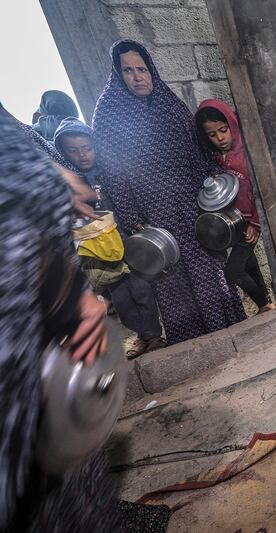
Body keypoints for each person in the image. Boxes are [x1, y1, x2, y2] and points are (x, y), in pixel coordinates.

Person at [0, 109, 121, 531]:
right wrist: (71, 296)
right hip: (22, 328)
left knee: (61, 469)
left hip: (41, 329)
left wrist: (50, 173)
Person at [92, 40, 246, 344]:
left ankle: (226, 328)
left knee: (208, 270)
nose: (138, 77)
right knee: (171, 279)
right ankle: (192, 342)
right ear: (117, 74)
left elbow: (197, 151)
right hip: (152, 213)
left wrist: (213, 185)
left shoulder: (168, 102)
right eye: (128, 70)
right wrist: (133, 218)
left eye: (143, 69)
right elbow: (112, 175)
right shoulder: (108, 115)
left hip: (192, 205)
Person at [54, 118, 166, 357]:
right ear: (63, 152)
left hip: (126, 241)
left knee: (140, 289)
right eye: (73, 151)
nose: (82, 155)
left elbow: (129, 201)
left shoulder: (110, 173)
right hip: (98, 249)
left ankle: (154, 334)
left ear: (96, 146)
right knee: (120, 295)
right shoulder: (69, 184)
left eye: (87, 148)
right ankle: (141, 336)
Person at [194, 99, 276, 314]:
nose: (220, 138)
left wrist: (256, 224)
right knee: (250, 264)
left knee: (233, 272)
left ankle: (264, 302)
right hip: (234, 222)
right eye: (212, 135)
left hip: (251, 222)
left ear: (232, 124)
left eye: (223, 130)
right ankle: (265, 305)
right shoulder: (215, 158)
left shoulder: (246, 155)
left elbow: (261, 191)